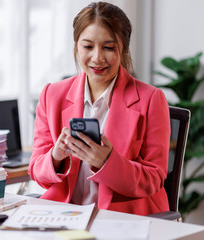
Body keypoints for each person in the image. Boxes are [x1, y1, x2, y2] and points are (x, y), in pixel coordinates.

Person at [28, 1, 170, 216]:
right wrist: (55, 157)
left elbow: (153, 180)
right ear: (76, 45)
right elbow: (36, 171)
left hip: (124, 218)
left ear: (123, 48)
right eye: (88, 46)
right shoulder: (52, 95)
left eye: (108, 47)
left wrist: (107, 162)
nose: (97, 58)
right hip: (65, 217)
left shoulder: (151, 99)